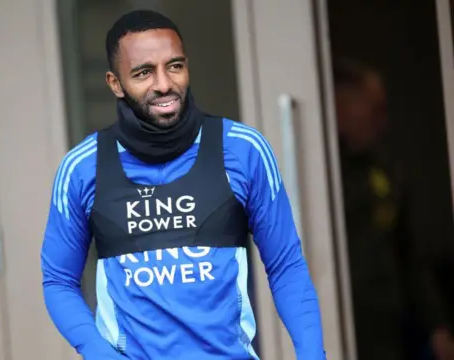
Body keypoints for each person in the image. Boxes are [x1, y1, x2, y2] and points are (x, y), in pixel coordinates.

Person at [41, 10, 326, 360]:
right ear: (115, 83)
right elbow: (58, 282)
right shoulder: (83, 168)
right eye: (143, 72)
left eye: (174, 66)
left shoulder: (242, 149)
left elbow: (286, 266)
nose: (164, 84)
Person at [333, 59, 454, 360]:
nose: (381, 122)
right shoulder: (321, 180)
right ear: (340, 109)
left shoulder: (385, 174)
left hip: (387, 328)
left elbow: (410, 256)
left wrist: (438, 326)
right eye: (374, 110)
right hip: (336, 322)